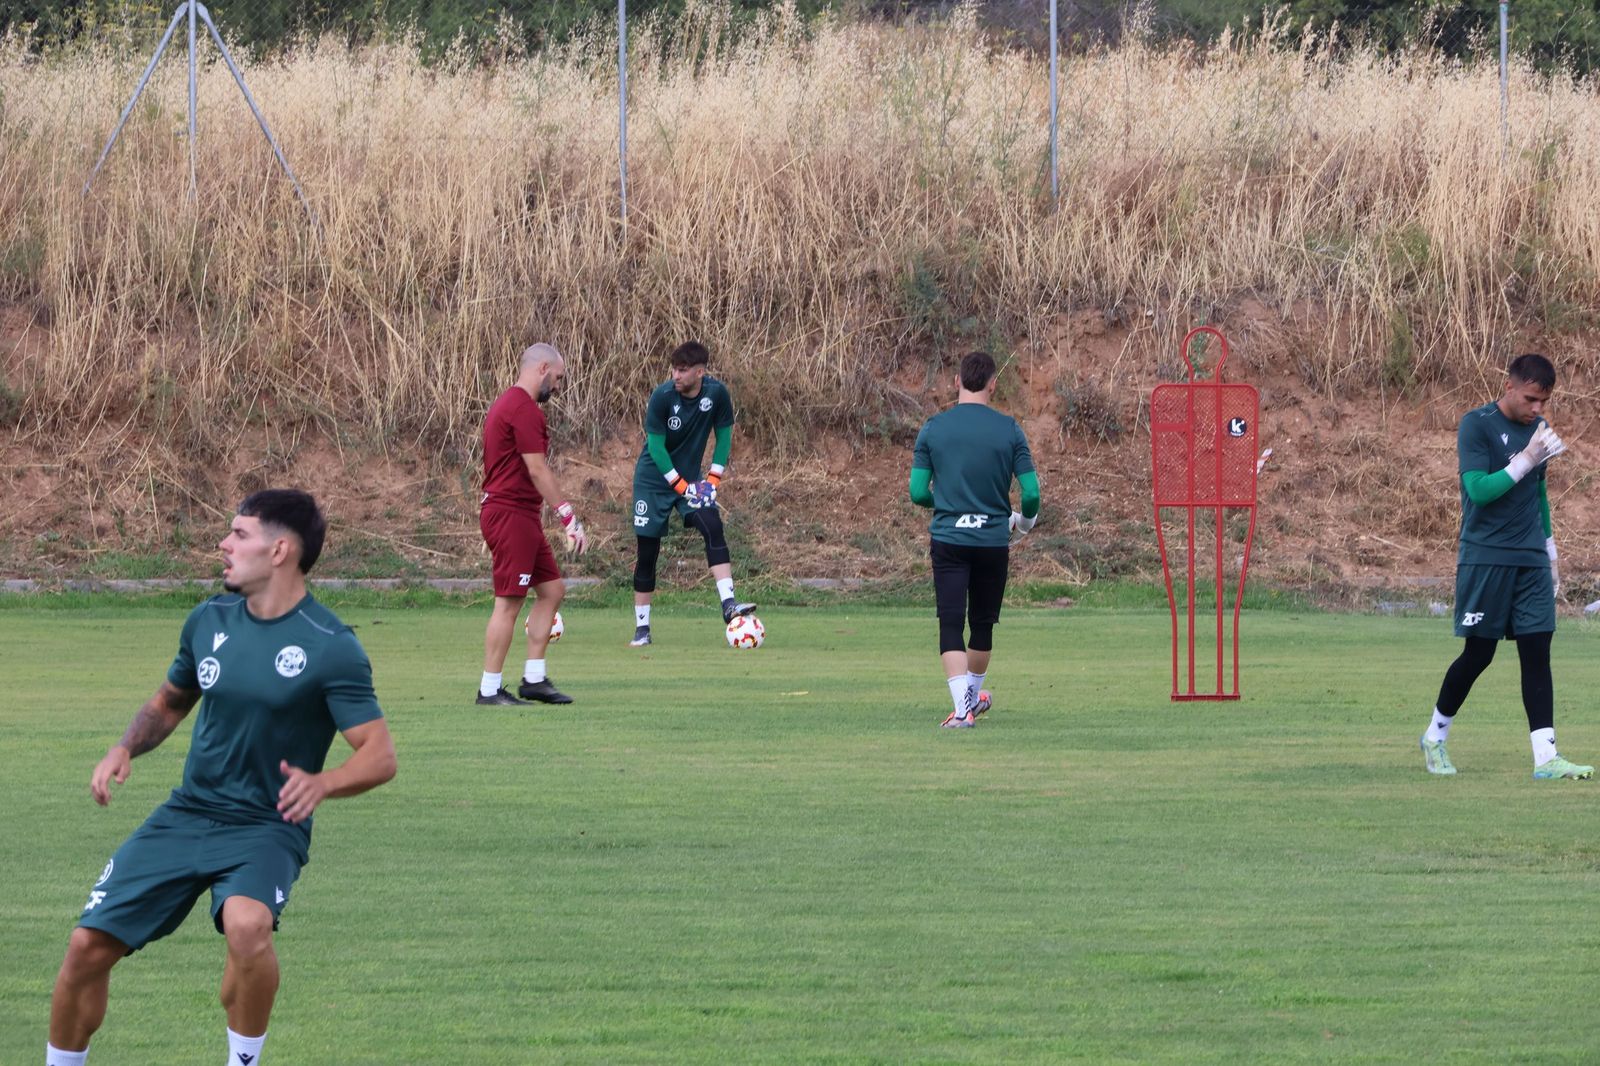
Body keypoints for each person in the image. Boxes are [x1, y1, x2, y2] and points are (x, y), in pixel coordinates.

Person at [46, 489, 398, 1066]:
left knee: (248, 926)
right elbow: (169, 702)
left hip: (266, 825)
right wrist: (124, 747)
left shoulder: (331, 646)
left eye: (239, 534)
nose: (223, 544)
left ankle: (243, 1061)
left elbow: (380, 754)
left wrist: (325, 781)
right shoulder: (208, 619)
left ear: (280, 549)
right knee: (86, 945)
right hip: (188, 813)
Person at [1420, 352, 1591, 779]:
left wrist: (1550, 551)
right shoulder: (1477, 425)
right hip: (1486, 556)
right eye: (1531, 399)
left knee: (1538, 653)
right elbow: (1478, 491)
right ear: (1509, 386)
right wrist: (1525, 459)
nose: (1537, 410)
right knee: (1479, 654)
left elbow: (1539, 495)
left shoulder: (1540, 430)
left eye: (1543, 403)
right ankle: (1435, 737)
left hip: (1530, 559)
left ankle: (1546, 759)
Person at [909, 350, 1040, 729]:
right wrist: (1023, 522)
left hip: (949, 538)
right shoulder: (1009, 429)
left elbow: (918, 492)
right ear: (993, 384)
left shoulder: (933, 428)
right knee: (982, 624)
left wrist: (947, 503)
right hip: (992, 541)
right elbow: (1030, 493)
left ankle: (962, 709)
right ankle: (970, 700)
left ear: (957, 382)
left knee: (951, 622)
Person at [477, 342, 589, 705]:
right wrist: (568, 515)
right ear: (542, 368)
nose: (557, 386)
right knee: (508, 602)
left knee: (552, 591)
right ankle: (489, 689)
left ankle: (534, 680)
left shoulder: (507, 403)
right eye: (557, 377)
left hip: (519, 514)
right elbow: (537, 468)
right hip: (511, 514)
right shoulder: (523, 409)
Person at [627, 340, 755, 647]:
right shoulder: (661, 397)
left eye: (683, 370)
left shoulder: (717, 394)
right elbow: (656, 449)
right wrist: (682, 487)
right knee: (648, 553)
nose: (676, 375)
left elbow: (724, 439)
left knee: (712, 525)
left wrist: (712, 481)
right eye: (674, 369)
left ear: (700, 372)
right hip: (653, 481)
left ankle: (728, 604)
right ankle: (642, 628)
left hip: (691, 480)